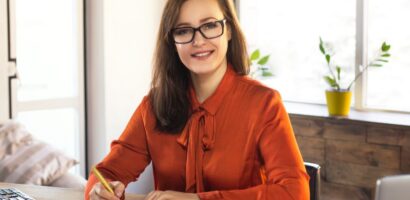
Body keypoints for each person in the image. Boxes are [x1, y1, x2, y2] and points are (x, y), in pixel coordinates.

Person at [85, 0, 310, 199]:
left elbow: (295, 192)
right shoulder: (154, 105)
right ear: (172, 41)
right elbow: (105, 174)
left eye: (210, 25)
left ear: (229, 30)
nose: (198, 41)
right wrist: (99, 192)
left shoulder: (264, 104)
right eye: (183, 30)